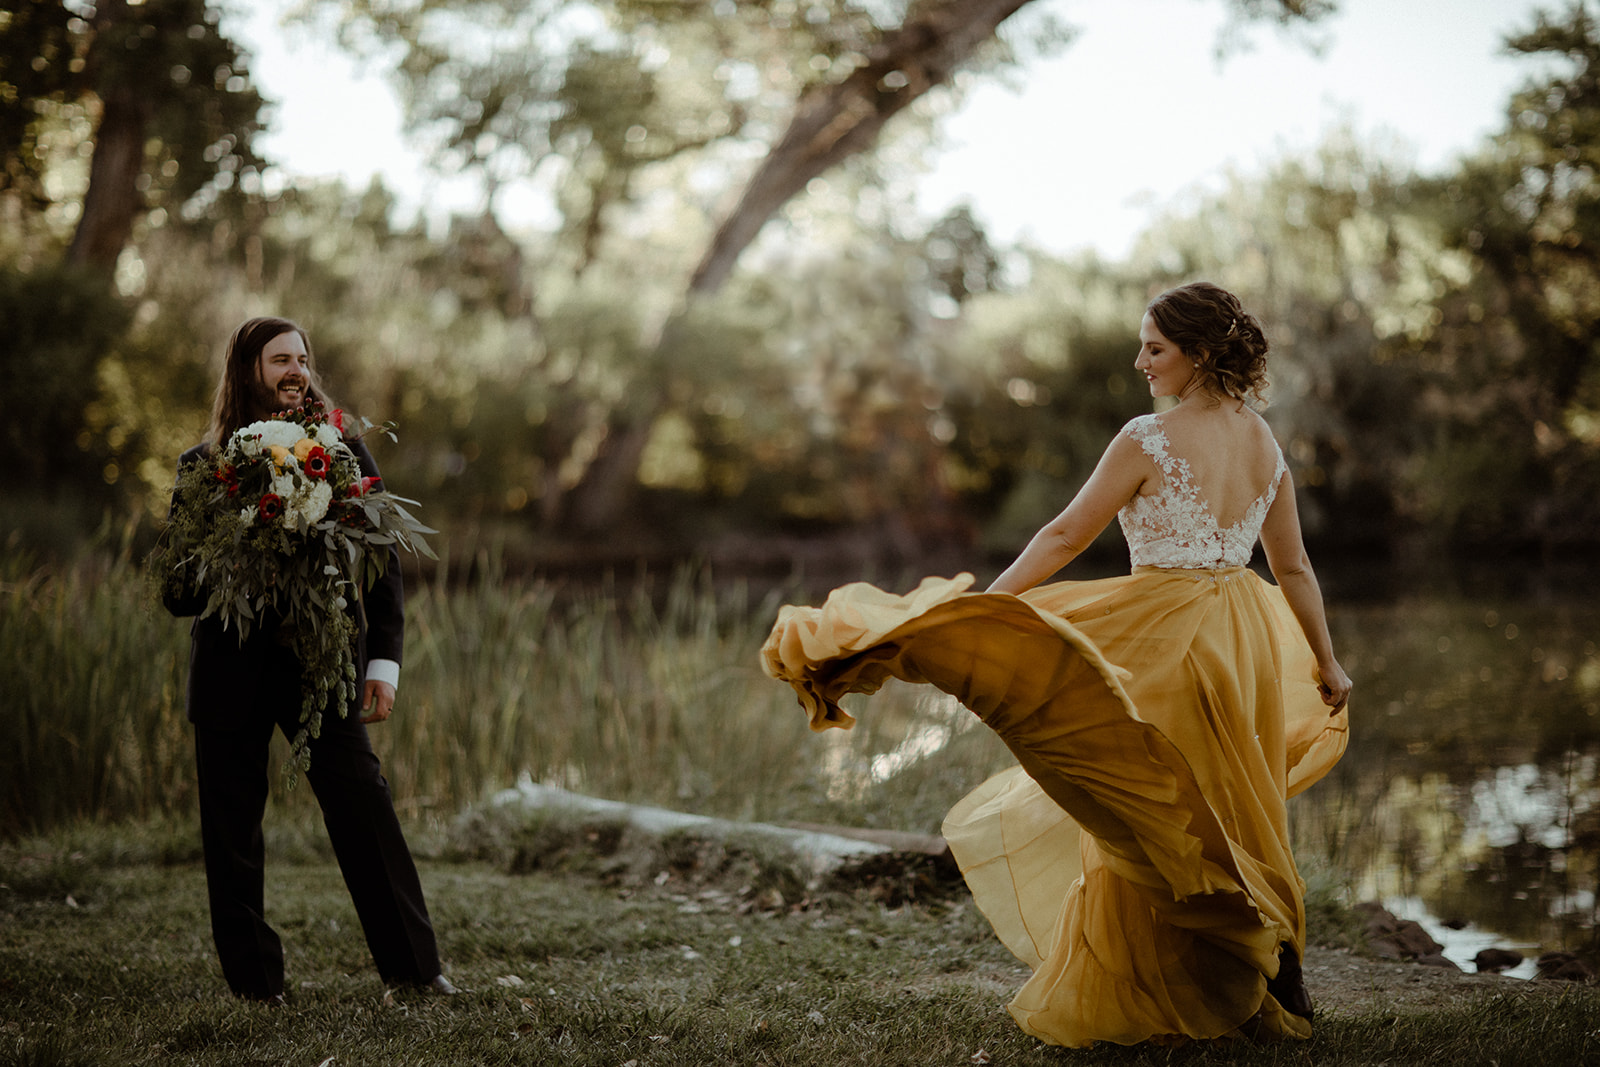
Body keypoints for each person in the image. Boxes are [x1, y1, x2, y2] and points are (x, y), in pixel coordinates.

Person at [763, 282, 1351, 1046]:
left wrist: (985, 609)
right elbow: (1295, 567)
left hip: (1165, 636)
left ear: (1200, 354)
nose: (1140, 361)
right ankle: (1271, 957)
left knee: (1150, 805)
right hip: (1241, 634)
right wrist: (1326, 660)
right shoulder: (1263, 441)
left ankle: (1226, 962)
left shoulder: (1148, 436)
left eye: (1156, 347)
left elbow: (1068, 532)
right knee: (1233, 804)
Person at [163, 316, 456, 1004]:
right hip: (229, 675)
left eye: (301, 357)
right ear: (247, 371)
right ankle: (256, 986)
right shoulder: (202, 467)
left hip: (321, 671)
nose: (295, 368)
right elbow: (177, 592)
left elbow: (383, 568)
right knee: (231, 833)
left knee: (365, 811)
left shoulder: (345, 452)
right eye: (278, 359)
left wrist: (383, 664)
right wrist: (239, 542)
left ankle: (415, 972)